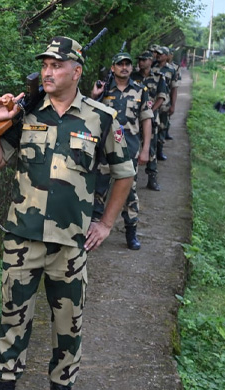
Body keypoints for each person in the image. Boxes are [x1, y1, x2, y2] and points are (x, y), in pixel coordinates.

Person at [0, 36, 135, 390]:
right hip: (22, 237)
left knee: (69, 322)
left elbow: (124, 173)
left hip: (71, 244)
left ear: (76, 71)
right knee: (13, 316)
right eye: (45, 65)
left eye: (57, 65)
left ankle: (62, 388)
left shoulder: (101, 119)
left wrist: (106, 223)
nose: (48, 71)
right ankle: (5, 384)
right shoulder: (26, 113)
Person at [90, 52, 154, 250]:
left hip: (129, 150)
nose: (124, 67)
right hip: (104, 151)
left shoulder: (140, 90)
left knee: (129, 193)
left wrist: (145, 149)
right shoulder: (104, 89)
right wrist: (94, 96)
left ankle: (131, 232)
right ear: (113, 68)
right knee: (98, 191)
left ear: (131, 67)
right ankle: (92, 232)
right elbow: (90, 115)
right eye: (120, 64)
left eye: (127, 64)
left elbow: (146, 120)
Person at [131, 51, 169, 191]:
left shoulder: (159, 77)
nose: (140, 62)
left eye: (143, 60)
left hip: (151, 118)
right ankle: (130, 178)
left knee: (150, 148)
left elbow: (161, 97)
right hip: (133, 118)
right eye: (139, 60)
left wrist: (150, 112)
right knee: (132, 146)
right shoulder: (132, 76)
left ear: (150, 61)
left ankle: (152, 178)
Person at [151, 46, 179, 157]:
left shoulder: (171, 70)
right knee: (152, 127)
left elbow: (174, 89)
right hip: (153, 102)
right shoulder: (152, 68)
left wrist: (173, 105)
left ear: (166, 56)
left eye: (161, 54)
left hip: (165, 104)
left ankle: (159, 151)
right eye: (157, 53)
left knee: (163, 127)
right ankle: (150, 151)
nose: (158, 55)